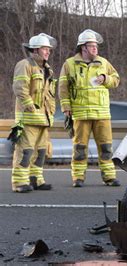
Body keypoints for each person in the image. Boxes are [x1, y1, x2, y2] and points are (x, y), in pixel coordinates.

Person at [58, 29, 121, 187]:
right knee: (80, 148)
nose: (95, 49)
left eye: (96, 46)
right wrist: (66, 107)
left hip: (102, 113)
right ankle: (78, 178)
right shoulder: (69, 64)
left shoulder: (103, 63)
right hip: (80, 113)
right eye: (92, 46)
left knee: (106, 147)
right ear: (83, 47)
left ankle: (109, 177)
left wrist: (105, 78)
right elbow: (63, 88)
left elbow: (116, 79)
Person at [11, 33, 57, 193]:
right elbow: (20, 88)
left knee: (41, 152)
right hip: (29, 118)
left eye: (49, 49)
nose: (48, 51)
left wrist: (50, 113)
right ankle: (19, 182)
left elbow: (49, 96)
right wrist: (31, 106)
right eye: (45, 48)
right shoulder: (25, 65)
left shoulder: (46, 69)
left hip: (43, 119)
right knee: (26, 151)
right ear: (36, 50)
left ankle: (35, 179)